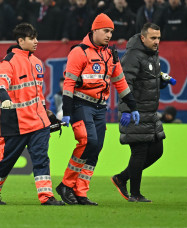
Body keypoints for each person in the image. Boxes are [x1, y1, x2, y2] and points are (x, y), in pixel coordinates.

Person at [58, 13, 139, 206]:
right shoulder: (79, 52)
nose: (109, 35)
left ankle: (81, 192)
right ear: (94, 30)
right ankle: (66, 185)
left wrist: (132, 106)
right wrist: (67, 112)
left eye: (111, 31)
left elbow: (120, 82)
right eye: (105, 31)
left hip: (99, 107)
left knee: (96, 149)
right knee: (88, 142)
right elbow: (69, 84)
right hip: (81, 104)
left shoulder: (111, 54)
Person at [0, 23, 65, 206]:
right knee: (6, 160)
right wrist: (3, 98)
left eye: (36, 37)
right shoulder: (8, 61)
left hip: (38, 122)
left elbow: (38, 94)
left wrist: (46, 112)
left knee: (41, 158)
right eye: (32, 38)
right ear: (21, 40)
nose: (36, 41)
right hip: (15, 121)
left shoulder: (37, 62)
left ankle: (46, 196)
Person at [111, 23, 176, 202]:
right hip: (135, 112)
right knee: (139, 152)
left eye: (158, 38)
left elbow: (147, 80)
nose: (157, 42)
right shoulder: (133, 55)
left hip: (149, 113)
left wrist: (162, 81)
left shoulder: (152, 55)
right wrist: (126, 110)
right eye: (153, 38)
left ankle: (121, 178)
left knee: (156, 151)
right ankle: (136, 194)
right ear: (143, 38)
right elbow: (124, 83)